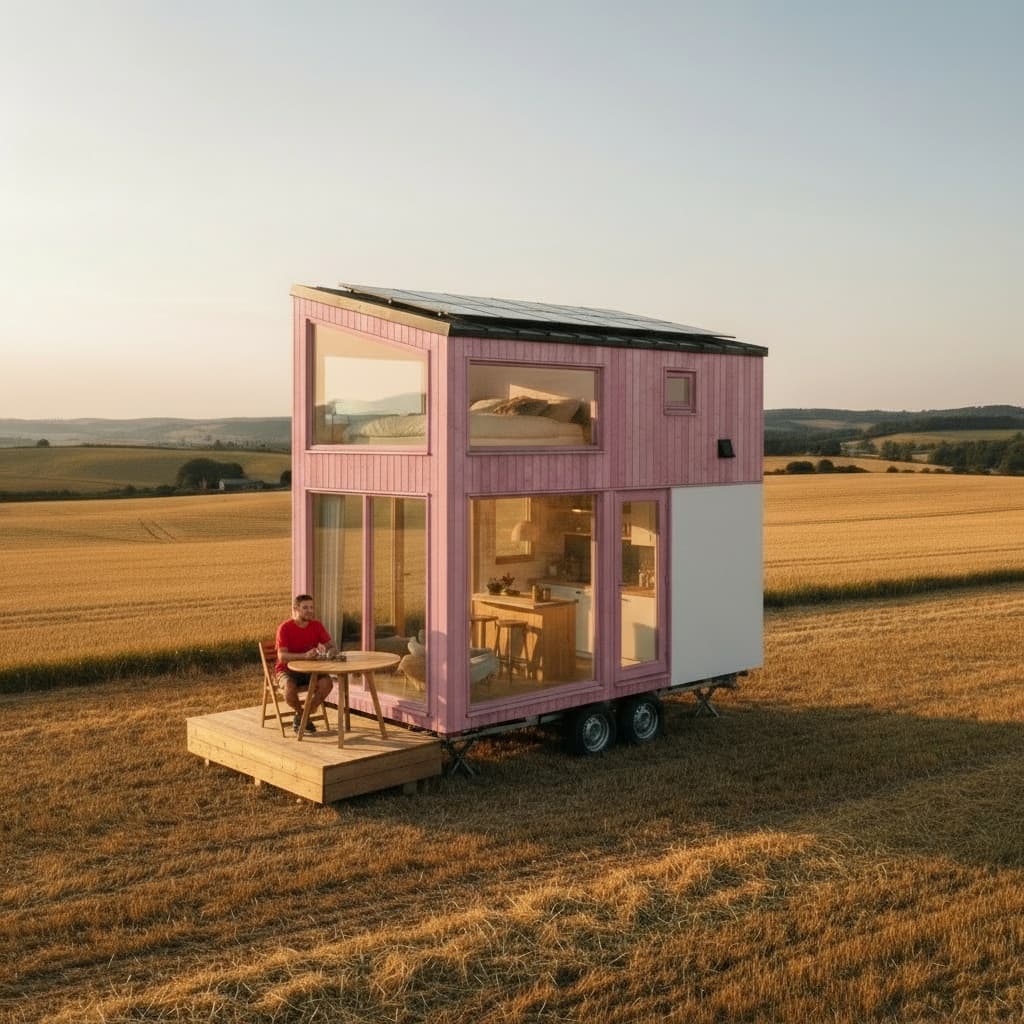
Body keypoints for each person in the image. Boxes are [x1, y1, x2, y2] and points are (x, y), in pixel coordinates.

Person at [275, 594, 336, 734]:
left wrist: (329, 652)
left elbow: (332, 646)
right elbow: (282, 656)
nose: (310, 610)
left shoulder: (316, 625)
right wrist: (304, 656)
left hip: (310, 669)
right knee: (289, 689)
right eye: (305, 608)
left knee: (327, 683)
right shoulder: (284, 628)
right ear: (295, 609)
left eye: (311, 607)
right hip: (287, 670)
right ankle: (303, 715)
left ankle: (302, 716)